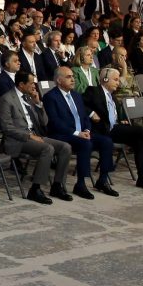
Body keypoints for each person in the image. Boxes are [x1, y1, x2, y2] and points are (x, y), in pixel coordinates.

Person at [84, 67, 143, 192]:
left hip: (114, 128)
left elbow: (113, 114)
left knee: (139, 141)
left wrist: (121, 120)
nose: (118, 83)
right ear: (105, 79)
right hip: (102, 130)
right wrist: (91, 113)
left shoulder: (112, 97)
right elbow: (80, 103)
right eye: (115, 80)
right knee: (140, 130)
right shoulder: (93, 91)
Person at [0, 68, 72, 204]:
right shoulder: (7, 99)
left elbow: (44, 122)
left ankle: (57, 185)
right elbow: (7, 128)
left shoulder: (28, 97)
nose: (34, 86)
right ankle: (35, 189)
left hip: (35, 136)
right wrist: (29, 136)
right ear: (21, 84)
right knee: (47, 149)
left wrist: (38, 103)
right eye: (31, 83)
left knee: (65, 147)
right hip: (17, 140)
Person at [42, 65, 110, 199]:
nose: (73, 79)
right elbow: (55, 122)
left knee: (106, 142)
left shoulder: (76, 95)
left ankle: (103, 180)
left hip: (81, 133)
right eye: (69, 77)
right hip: (62, 135)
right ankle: (80, 184)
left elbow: (85, 117)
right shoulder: (50, 97)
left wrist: (87, 130)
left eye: (73, 76)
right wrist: (77, 133)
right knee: (85, 144)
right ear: (59, 80)